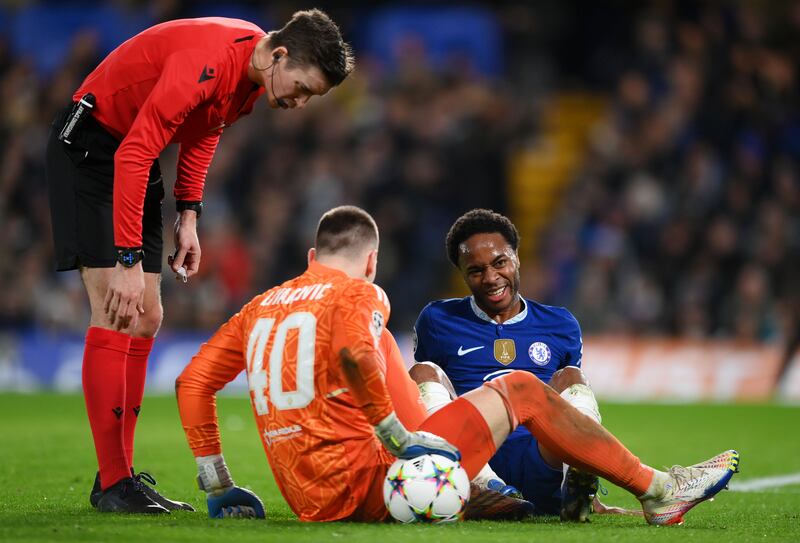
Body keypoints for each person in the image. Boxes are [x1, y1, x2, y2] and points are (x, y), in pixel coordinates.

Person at [175, 205, 738, 525]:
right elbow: (354, 358)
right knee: (520, 387)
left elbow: (192, 382)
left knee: (441, 383)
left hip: (307, 500)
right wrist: (399, 436)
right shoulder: (360, 295)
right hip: (373, 485)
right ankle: (657, 490)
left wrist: (218, 482)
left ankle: (499, 484)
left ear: (311, 259)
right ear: (371, 261)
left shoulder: (259, 307)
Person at [44, 9, 354, 514]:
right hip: (92, 150)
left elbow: (204, 129)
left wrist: (188, 214)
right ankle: (113, 482)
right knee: (116, 308)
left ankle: (119, 481)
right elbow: (136, 149)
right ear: (279, 55)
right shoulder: (206, 61)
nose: (299, 103)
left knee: (147, 317)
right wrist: (125, 260)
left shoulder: (251, 77)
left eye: (310, 97)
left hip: (132, 156)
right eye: (302, 87)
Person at [410, 208, 620, 521]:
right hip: (472, 454)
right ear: (463, 274)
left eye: (499, 263)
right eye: (476, 270)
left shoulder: (560, 324)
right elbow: (428, 399)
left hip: (539, 458)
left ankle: (580, 478)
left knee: (571, 377)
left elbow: (566, 409)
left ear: (516, 257)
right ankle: (481, 485)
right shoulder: (437, 320)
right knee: (422, 373)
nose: (491, 278)